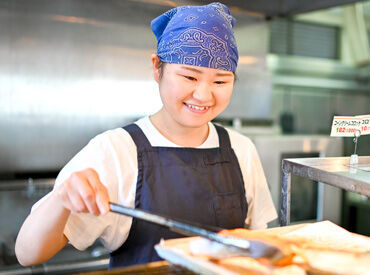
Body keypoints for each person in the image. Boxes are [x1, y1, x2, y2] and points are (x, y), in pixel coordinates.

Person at [15, 2, 277, 269]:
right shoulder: (116, 151)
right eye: (189, 77)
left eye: (220, 81)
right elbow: (28, 254)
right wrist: (62, 197)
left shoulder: (241, 149)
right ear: (157, 68)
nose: (203, 95)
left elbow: (257, 242)